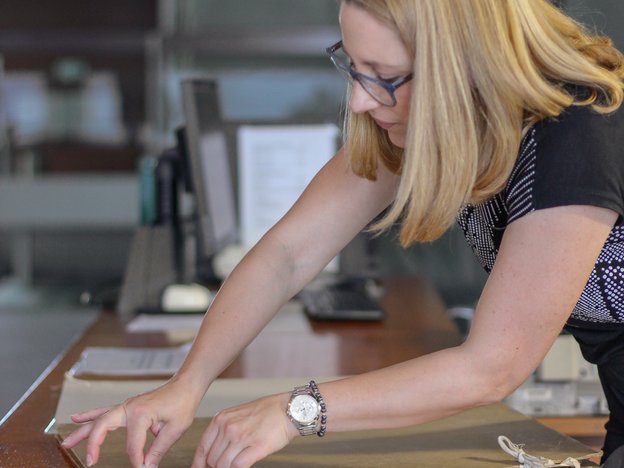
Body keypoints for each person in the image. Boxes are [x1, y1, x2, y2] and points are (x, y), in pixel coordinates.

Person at [62, 0, 624, 466]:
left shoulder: (575, 132)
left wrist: (293, 411)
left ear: (465, 68)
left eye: (383, 77)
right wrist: (188, 382)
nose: (358, 98)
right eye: (353, 66)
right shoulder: (422, 119)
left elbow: (490, 367)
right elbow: (287, 253)